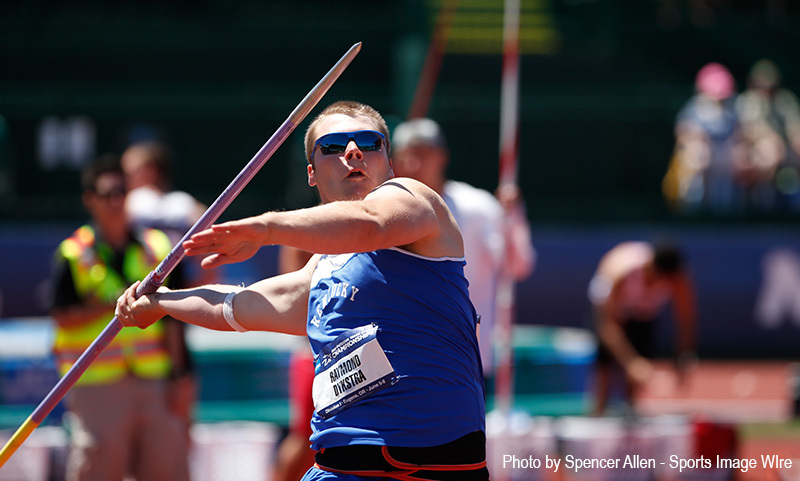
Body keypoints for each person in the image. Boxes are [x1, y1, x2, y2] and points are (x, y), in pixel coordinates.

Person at [116, 101, 489, 481]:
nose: (353, 151)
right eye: (333, 145)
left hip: (434, 466)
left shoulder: (415, 201)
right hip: (338, 467)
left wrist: (266, 228)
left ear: (388, 163)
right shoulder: (322, 270)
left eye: (369, 142)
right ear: (312, 173)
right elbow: (235, 306)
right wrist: (161, 303)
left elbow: (370, 223)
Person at [50, 154, 190, 481]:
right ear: (90, 200)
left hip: (154, 381)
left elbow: (173, 318)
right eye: (106, 194)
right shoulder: (72, 252)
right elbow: (62, 317)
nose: (115, 202)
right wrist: (111, 304)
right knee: (97, 467)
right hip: (95, 383)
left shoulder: (157, 246)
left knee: (167, 467)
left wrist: (181, 374)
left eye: (121, 193)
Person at [391, 117, 536, 381]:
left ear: (441, 157)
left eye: (421, 155)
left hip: (465, 355)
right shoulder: (384, 211)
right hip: (404, 356)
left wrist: (514, 218)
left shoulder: (479, 208)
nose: (412, 165)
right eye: (404, 157)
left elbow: (517, 266)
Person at [121, 140, 202, 442]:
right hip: (172, 306)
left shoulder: (136, 203)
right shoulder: (183, 204)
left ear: (149, 170)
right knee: (179, 407)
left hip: (152, 306)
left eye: (130, 170)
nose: (126, 178)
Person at [587, 240, 697, 416]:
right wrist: (630, 361)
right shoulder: (621, 273)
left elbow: (685, 317)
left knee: (638, 376)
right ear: (651, 268)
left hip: (644, 315)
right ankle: (597, 414)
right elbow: (607, 326)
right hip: (615, 311)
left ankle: (631, 413)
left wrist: (682, 355)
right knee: (604, 369)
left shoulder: (677, 278)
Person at [664, 62, 745, 213]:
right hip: (701, 168)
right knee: (698, 155)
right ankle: (694, 208)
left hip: (726, 163)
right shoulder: (693, 109)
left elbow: (744, 136)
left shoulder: (735, 107)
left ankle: (740, 208)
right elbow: (684, 135)